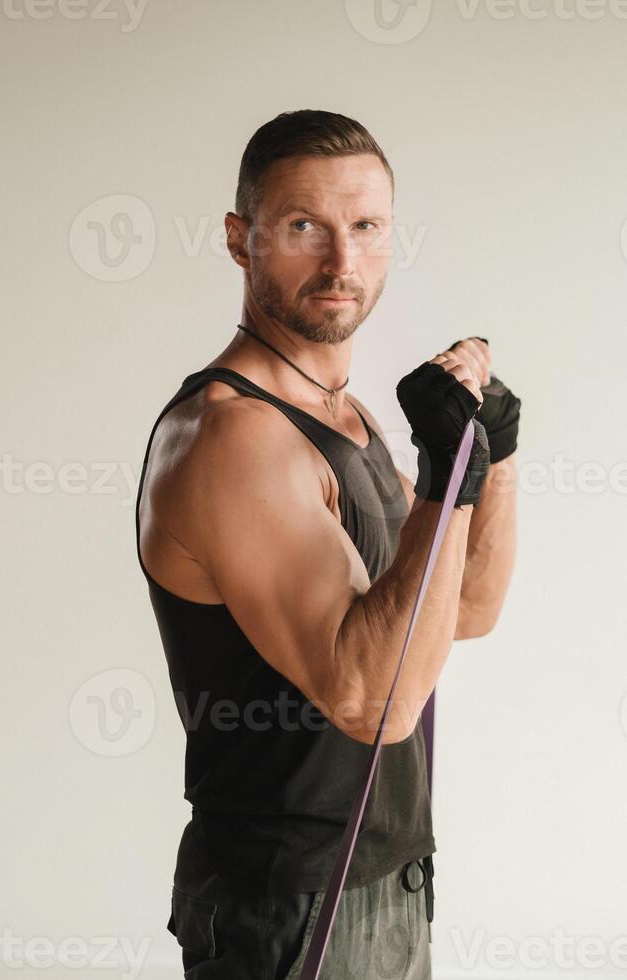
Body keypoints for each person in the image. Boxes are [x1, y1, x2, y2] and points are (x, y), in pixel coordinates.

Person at [135, 109, 520, 979]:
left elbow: (461, 611)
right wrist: (441, 481)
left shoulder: (345, 416)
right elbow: (371, 702)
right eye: (306, 226)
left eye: (367, 227)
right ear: (242, 239)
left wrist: (490, 456)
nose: (343, 262)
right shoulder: (236, 438)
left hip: (387, 877)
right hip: (290, 901)